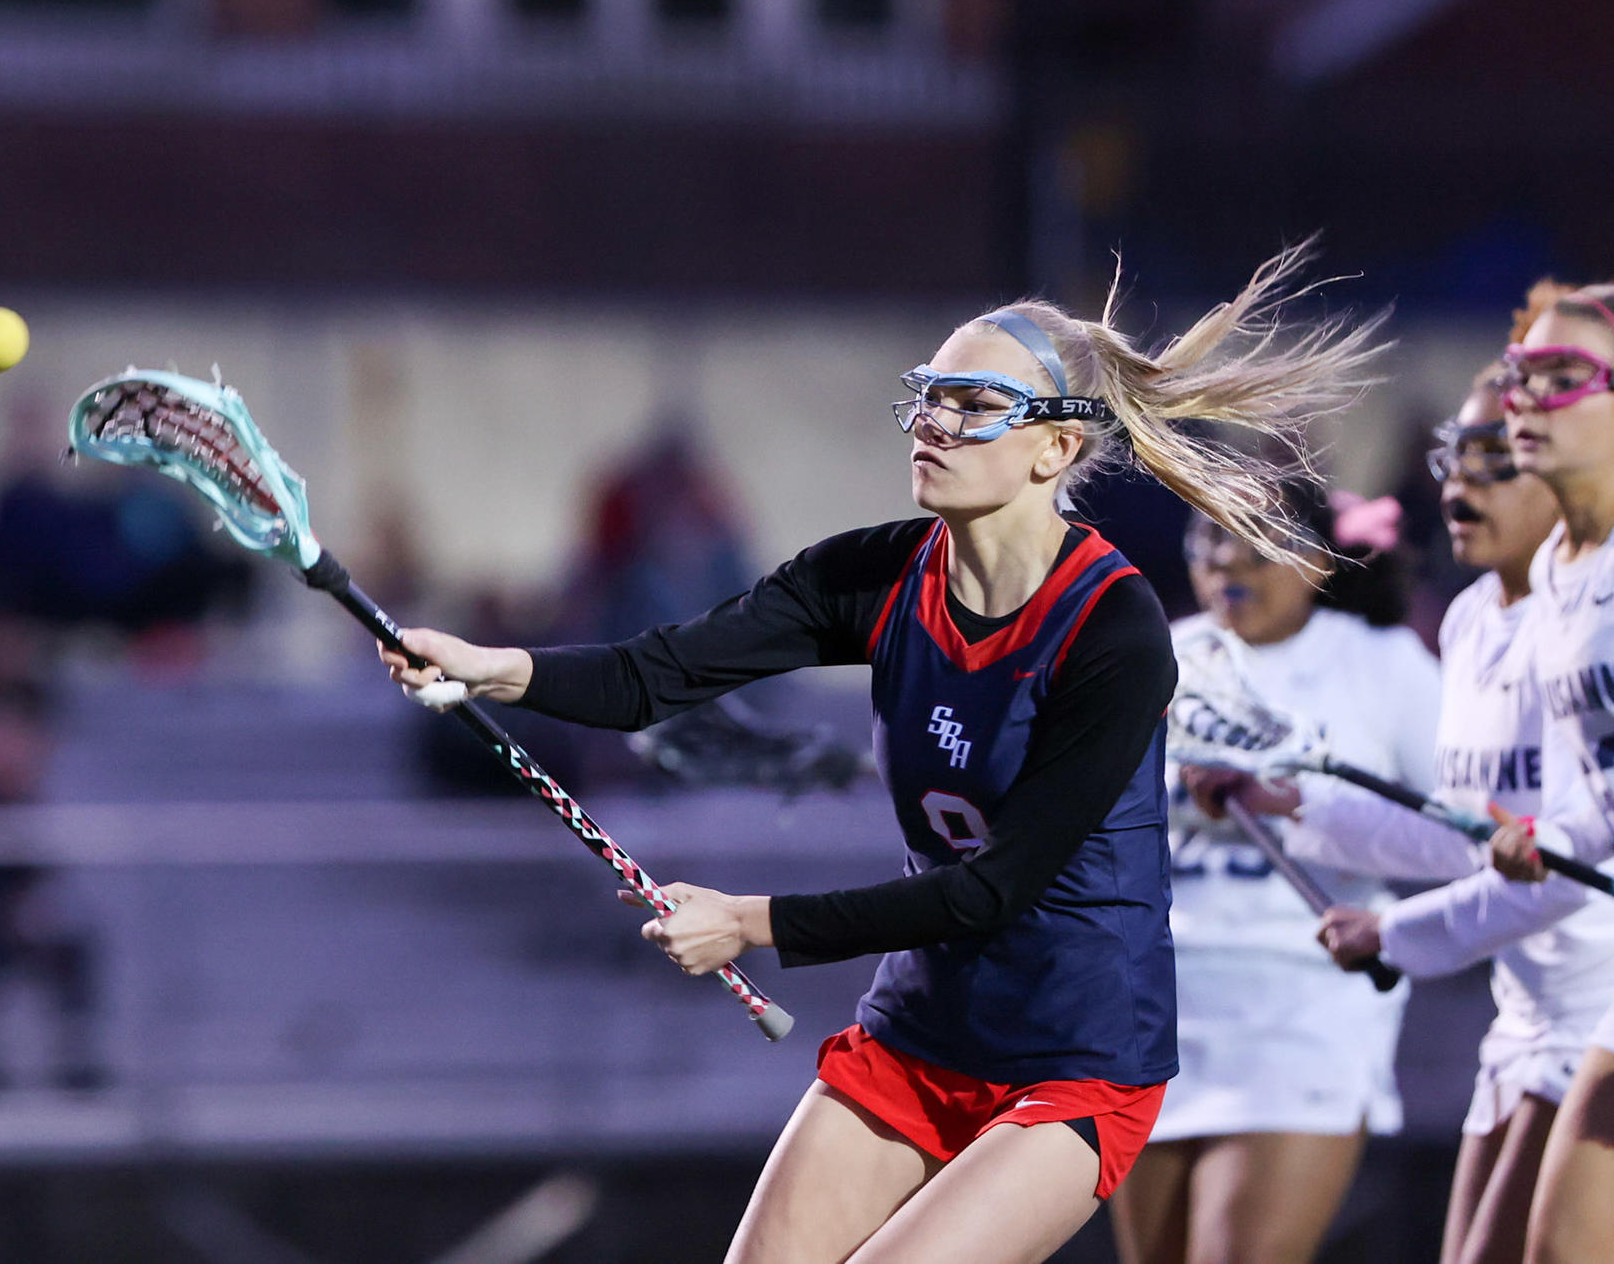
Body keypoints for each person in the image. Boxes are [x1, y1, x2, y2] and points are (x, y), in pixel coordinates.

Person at [380, 247, 1383, 1264]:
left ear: (1054, 448)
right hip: (921, 1032)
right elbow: (658, 673)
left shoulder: (1110, 626)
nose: (937, 422)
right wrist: (492, 667)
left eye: (977, 402)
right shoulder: (875, 573)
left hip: (1075, 1060)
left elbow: (993, 888)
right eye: (930, 395)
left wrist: (751, 921)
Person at [1285, 291, 1596, 1264]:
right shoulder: (1482, 623)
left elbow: (1561, 844)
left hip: (1592, 1008)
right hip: (1524, 1019)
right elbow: (1487, 828)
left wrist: (1399, 932)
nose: (1462, 487)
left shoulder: (1585, 602)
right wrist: (1296, 805)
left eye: (1492, 461)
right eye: (1451, 462)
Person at [1109, 474, 1444, 1264]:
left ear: (1319, 559)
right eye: (1208, 541)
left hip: (1303, 1007)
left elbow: (1461, 831)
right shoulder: (1163, 656)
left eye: (1257, 544)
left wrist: (1290, 801)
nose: (1229, 562)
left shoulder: (1381, 663)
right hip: (1154, 1012)